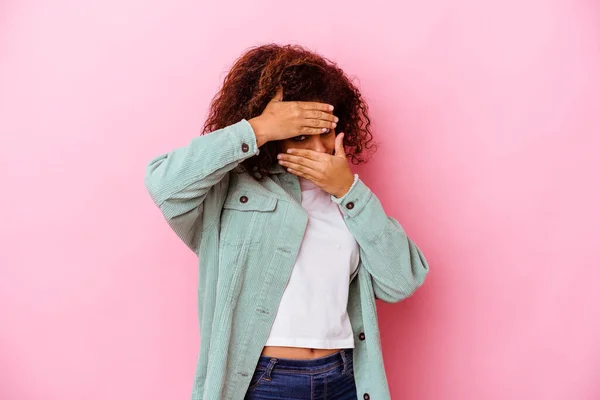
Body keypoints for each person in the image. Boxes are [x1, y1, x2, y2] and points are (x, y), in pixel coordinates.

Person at [144, 44, 429, 400]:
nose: (319, 149)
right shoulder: (230, 193)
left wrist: (348, 192)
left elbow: (401, 282)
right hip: (264, 382)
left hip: (344, 378)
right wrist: (257, 128)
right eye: (299, 135)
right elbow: (165, 186)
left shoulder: (348, 198)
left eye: (326, 131)